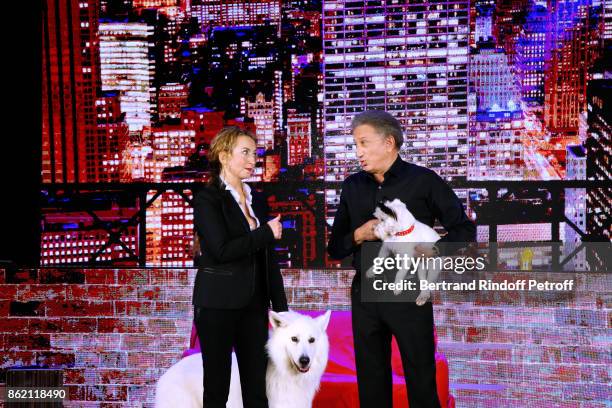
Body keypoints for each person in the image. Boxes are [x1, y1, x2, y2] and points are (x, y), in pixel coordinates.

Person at [327, 111, 476, 408]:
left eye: (364, 143)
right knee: (371, 384)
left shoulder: (423, 181)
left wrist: (434, 251)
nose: (358, 152)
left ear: (389, 143)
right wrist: (359, 235)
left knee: (420, 380)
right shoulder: (353, 186)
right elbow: (335, 248)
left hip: (409, 290)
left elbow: (464, 229)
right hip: (366, 293)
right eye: (355, 144)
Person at [192, 126, 288, 408]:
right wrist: (265, 233)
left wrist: (281, 308)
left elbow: (267, 257)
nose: (252, 159)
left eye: (254, 153)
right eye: (244, 152)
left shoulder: (256, 198)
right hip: (217, 304)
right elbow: (221, 250)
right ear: (223, 156)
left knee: (257, 388)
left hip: (254, 306)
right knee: (217, 388)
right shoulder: (207, 199)